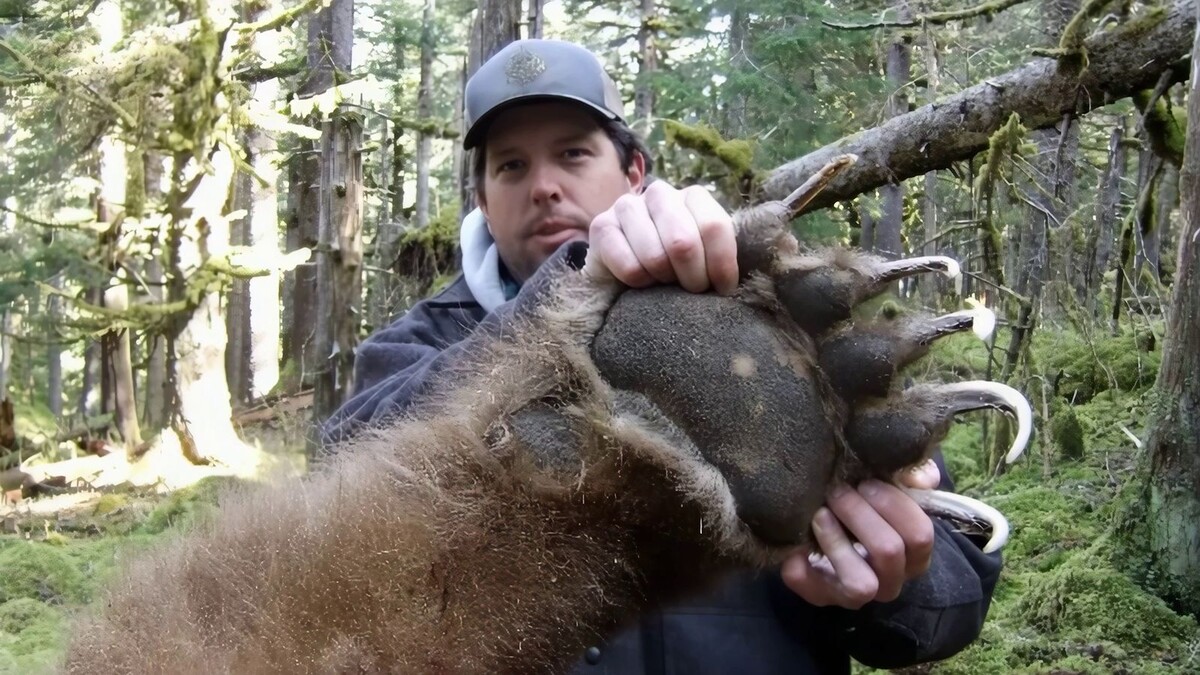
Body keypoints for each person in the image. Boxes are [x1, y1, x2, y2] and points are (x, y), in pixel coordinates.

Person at [324, 39, 1001, 674]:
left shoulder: (770, 314)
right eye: (511, 166)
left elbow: (956, 592)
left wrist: (891, 585)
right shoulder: (413, 351)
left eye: (573, 153)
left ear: (634, 173)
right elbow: (342, 496)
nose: (544, 186)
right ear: (481, 201)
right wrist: (574, 294)